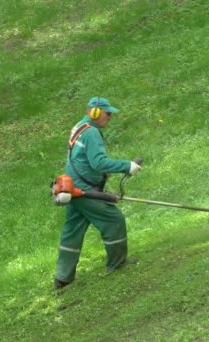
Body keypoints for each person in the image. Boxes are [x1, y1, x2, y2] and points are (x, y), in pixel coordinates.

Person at [54, 97, 141, 290]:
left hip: (72, 188)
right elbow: (98, 162)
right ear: (95, 112)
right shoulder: (91, 132)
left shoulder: (79, 127)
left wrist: (101, 175)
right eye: (107, 113)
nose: (110, 117)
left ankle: (62, 278)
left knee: (72, 231)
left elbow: (82, 159)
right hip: (83, 190)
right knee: (113, 219)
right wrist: (127, 165)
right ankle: (117, 265)